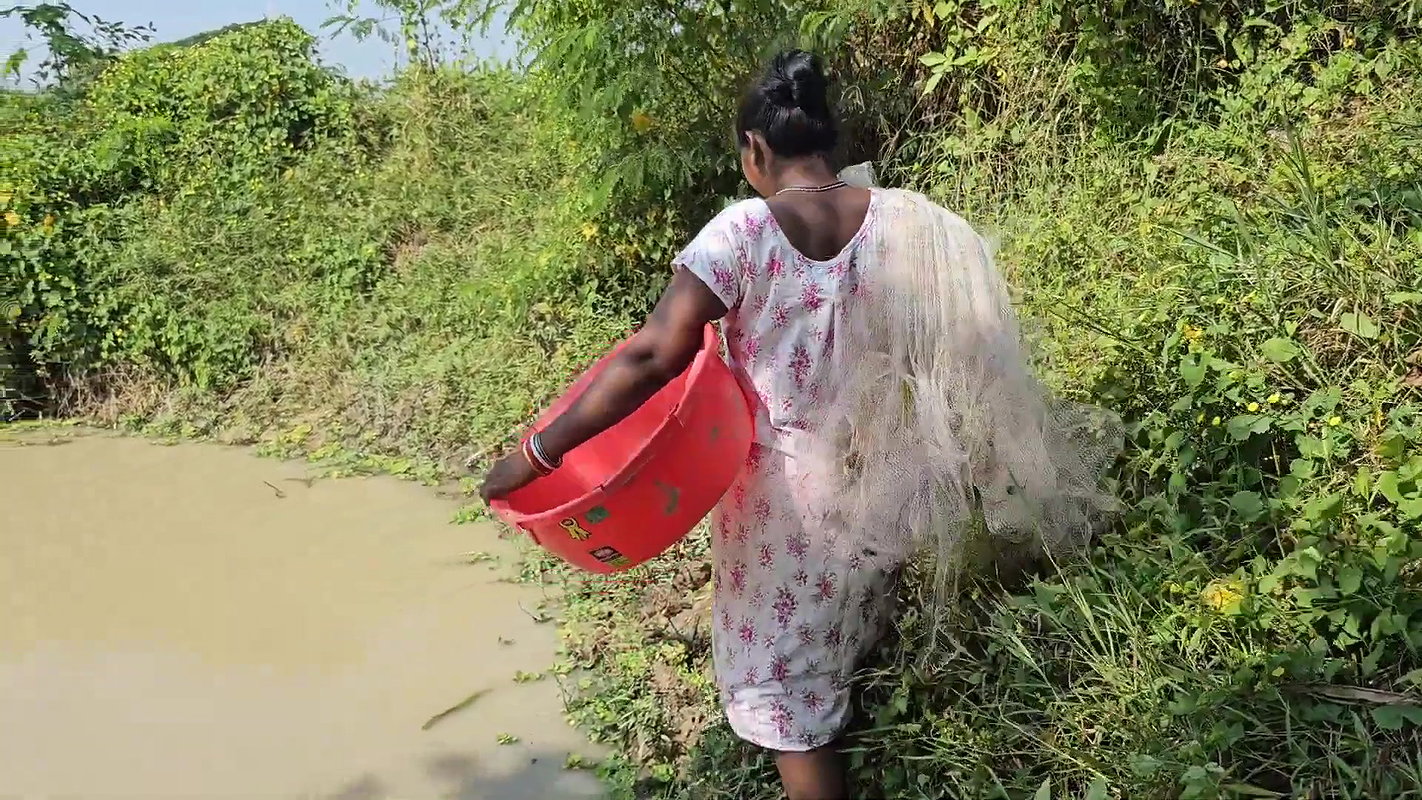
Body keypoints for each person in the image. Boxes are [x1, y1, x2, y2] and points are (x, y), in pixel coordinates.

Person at [479, 50, 1117, 800]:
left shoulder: (744, 232)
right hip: (889, 478)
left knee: (784, 694)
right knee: (849, 628)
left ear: (755, 149)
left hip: (789, 505)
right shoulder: (913, 222)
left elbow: (653, 353)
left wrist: (537, 453)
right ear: (827, 141)